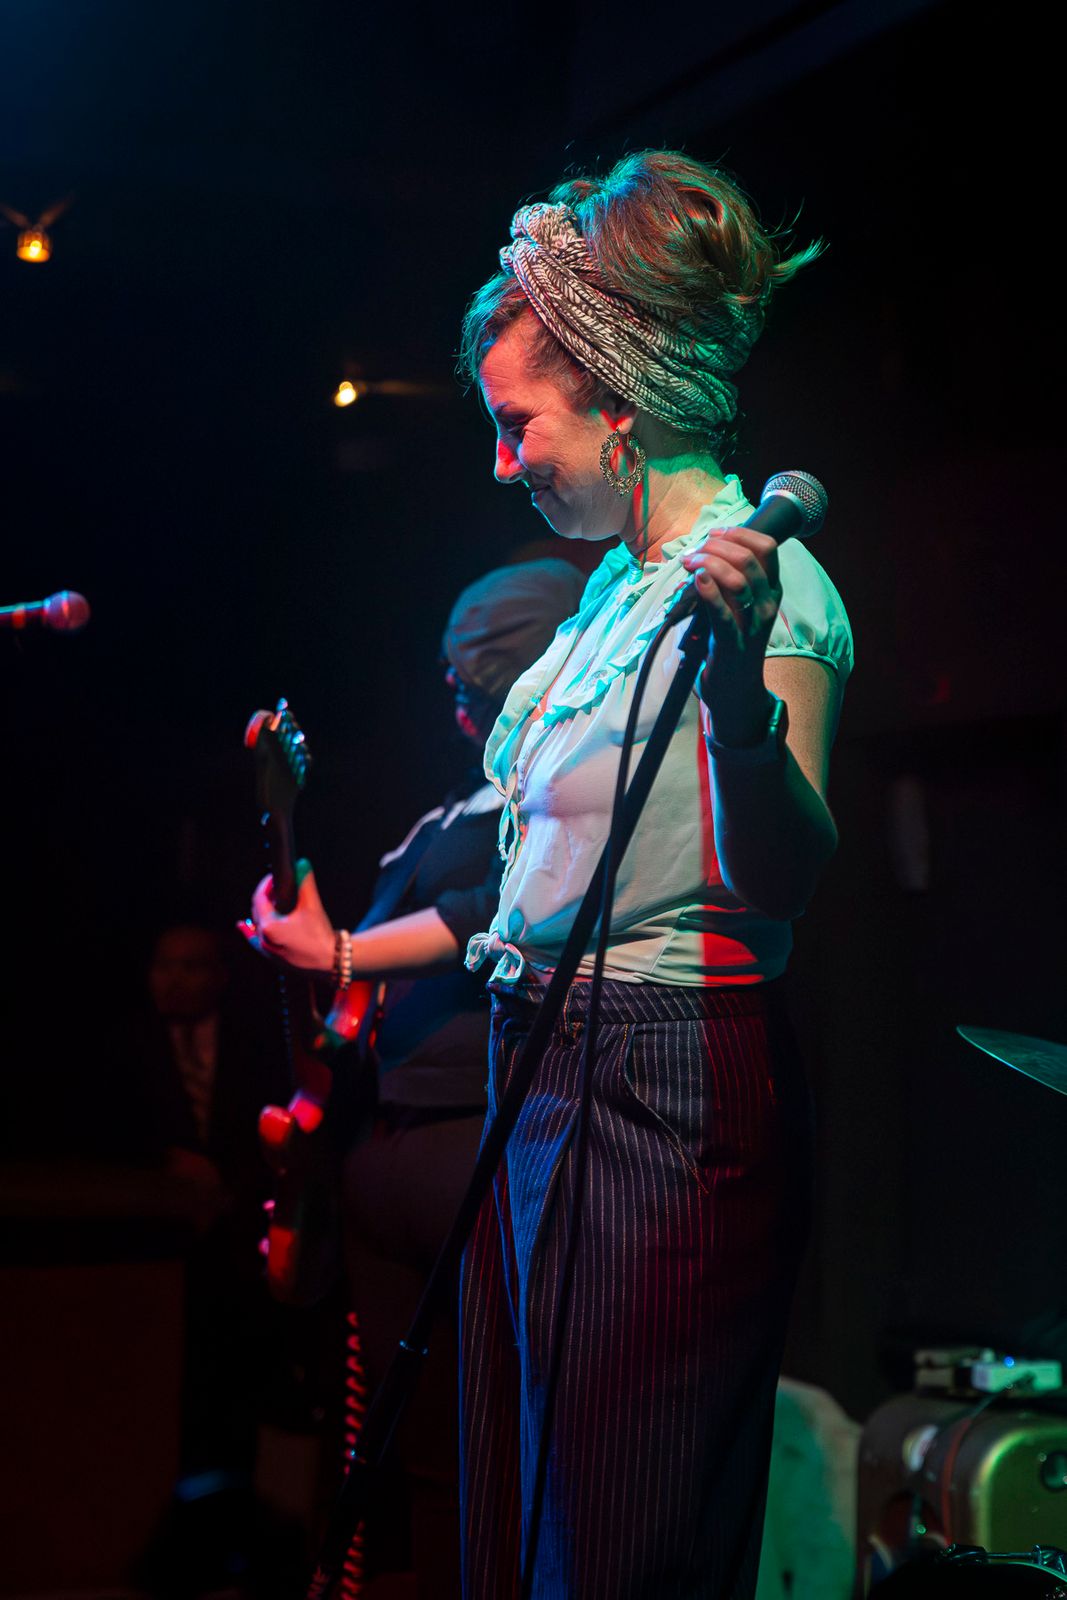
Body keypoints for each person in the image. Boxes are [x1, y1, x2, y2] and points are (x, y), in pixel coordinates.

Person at [453, 150, 854, 1598]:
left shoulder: (769, 583)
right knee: (523, 1522)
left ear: (618, 405)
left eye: (520, 426)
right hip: (541, 1060)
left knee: (619, 1534)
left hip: (658, 1074)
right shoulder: (607, 601)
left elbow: (784, 875)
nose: (502, 463)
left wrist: (737, 696)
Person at [244, 560, 586, 1599]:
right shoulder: (446, 811)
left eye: (478, 673)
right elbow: (357, 992)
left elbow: (492, 913)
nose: (458, 694)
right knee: (415, 1452)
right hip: (384, 1146)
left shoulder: (544, 801)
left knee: (486, 1444)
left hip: (464, 1137)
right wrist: (309, 944)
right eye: (453, 676)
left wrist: (340, 950)